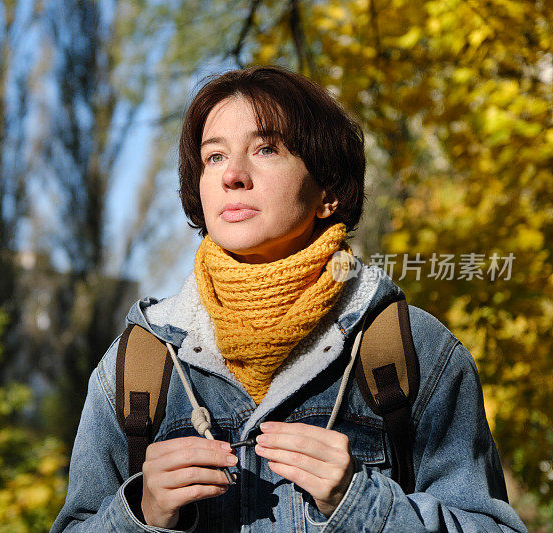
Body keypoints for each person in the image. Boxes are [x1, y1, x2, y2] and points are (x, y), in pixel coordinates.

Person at [50, 66, 527, 532]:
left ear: (328, 193)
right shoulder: (137, 364)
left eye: (267, 149)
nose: (232, 175)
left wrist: (362, 504)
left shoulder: (415, 349)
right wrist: (142, 514)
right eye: (214, 157)